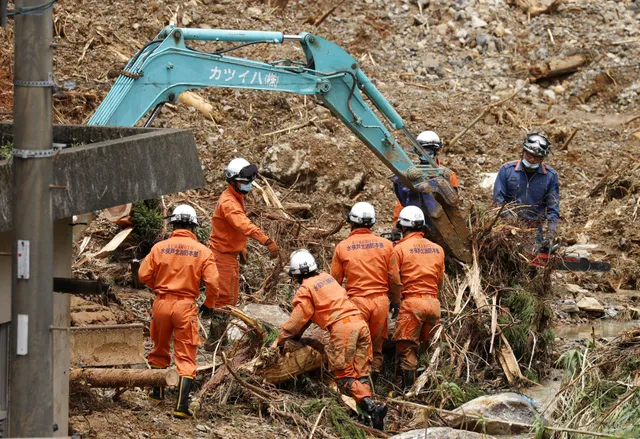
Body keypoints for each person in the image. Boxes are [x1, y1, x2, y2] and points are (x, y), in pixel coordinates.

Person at [276, 250, 388, 430]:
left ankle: (372, 408)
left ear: (296, 274)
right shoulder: (327, 278)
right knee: (360, 373)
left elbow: (298, 319)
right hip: (360, 324)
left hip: (343, 329)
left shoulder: (306, 288)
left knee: (343, 377)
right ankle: (371, 419)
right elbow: (308, 317)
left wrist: (281, 339)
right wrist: (297, 335)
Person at [138, 205, 219, 419]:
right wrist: (209, 304)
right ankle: (181, 407)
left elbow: (142, 274)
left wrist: (158, 288)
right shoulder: (204, 252)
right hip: (185, 306)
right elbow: (213, 283)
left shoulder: (159, 247)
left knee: (159, 348)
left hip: (161, 304)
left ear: (173, 223)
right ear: (193, 226)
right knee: (185, 355)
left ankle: (157, 394)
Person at [202, 158, 280, 350]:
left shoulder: (237, 196)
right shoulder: (229, 203)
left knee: (232, 298)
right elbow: (243, 225)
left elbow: (232, 229)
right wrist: (267, 241)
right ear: (232, 181)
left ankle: (219, 339)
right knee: (224, 299)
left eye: (249, 182)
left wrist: (240, 247)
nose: (248, 186)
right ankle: (214, 343)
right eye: (244, 182)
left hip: (229, 253)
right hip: (221, 256)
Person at [330, 202, 401, 388]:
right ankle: (372, 386)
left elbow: (335, 282)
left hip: (356, 303)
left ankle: (357, 389)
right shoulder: (386, 245)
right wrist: (396, 301)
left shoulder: (342, 247)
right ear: (372, 223)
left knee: (355, 346)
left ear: (351, 223)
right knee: (376, 348)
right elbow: (394, 278)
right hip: (380, 303)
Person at [392, 206, 445, 392]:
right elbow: (439, 280)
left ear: (403, 227)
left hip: (412, 303)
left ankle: (409, 392)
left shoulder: (399, 249)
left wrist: (396, 303)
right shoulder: (438, 249)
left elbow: (395, 281)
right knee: (428, 345)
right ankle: (432, 388)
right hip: (433, 303)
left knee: (406, 346)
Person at [492, 133, 559, 246]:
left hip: (534, 229)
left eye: (536, 158)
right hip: (508, 226)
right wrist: (511, 221)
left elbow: (553, 208)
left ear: (542, 158)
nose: (532, 160)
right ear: (523, 151)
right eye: (529, 155)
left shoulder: (550, 176)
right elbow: (498, 200)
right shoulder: (507, 170)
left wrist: (551, 232)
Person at [392, 130, 460, 224]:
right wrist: (396, 225)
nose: (424, 154)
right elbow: (402, 203)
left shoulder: (447, 175)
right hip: (414, 222)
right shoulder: (410, 175)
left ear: (436, 150)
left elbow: (453, 205)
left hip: (441, 222)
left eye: (428, 150)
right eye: (422, 150)